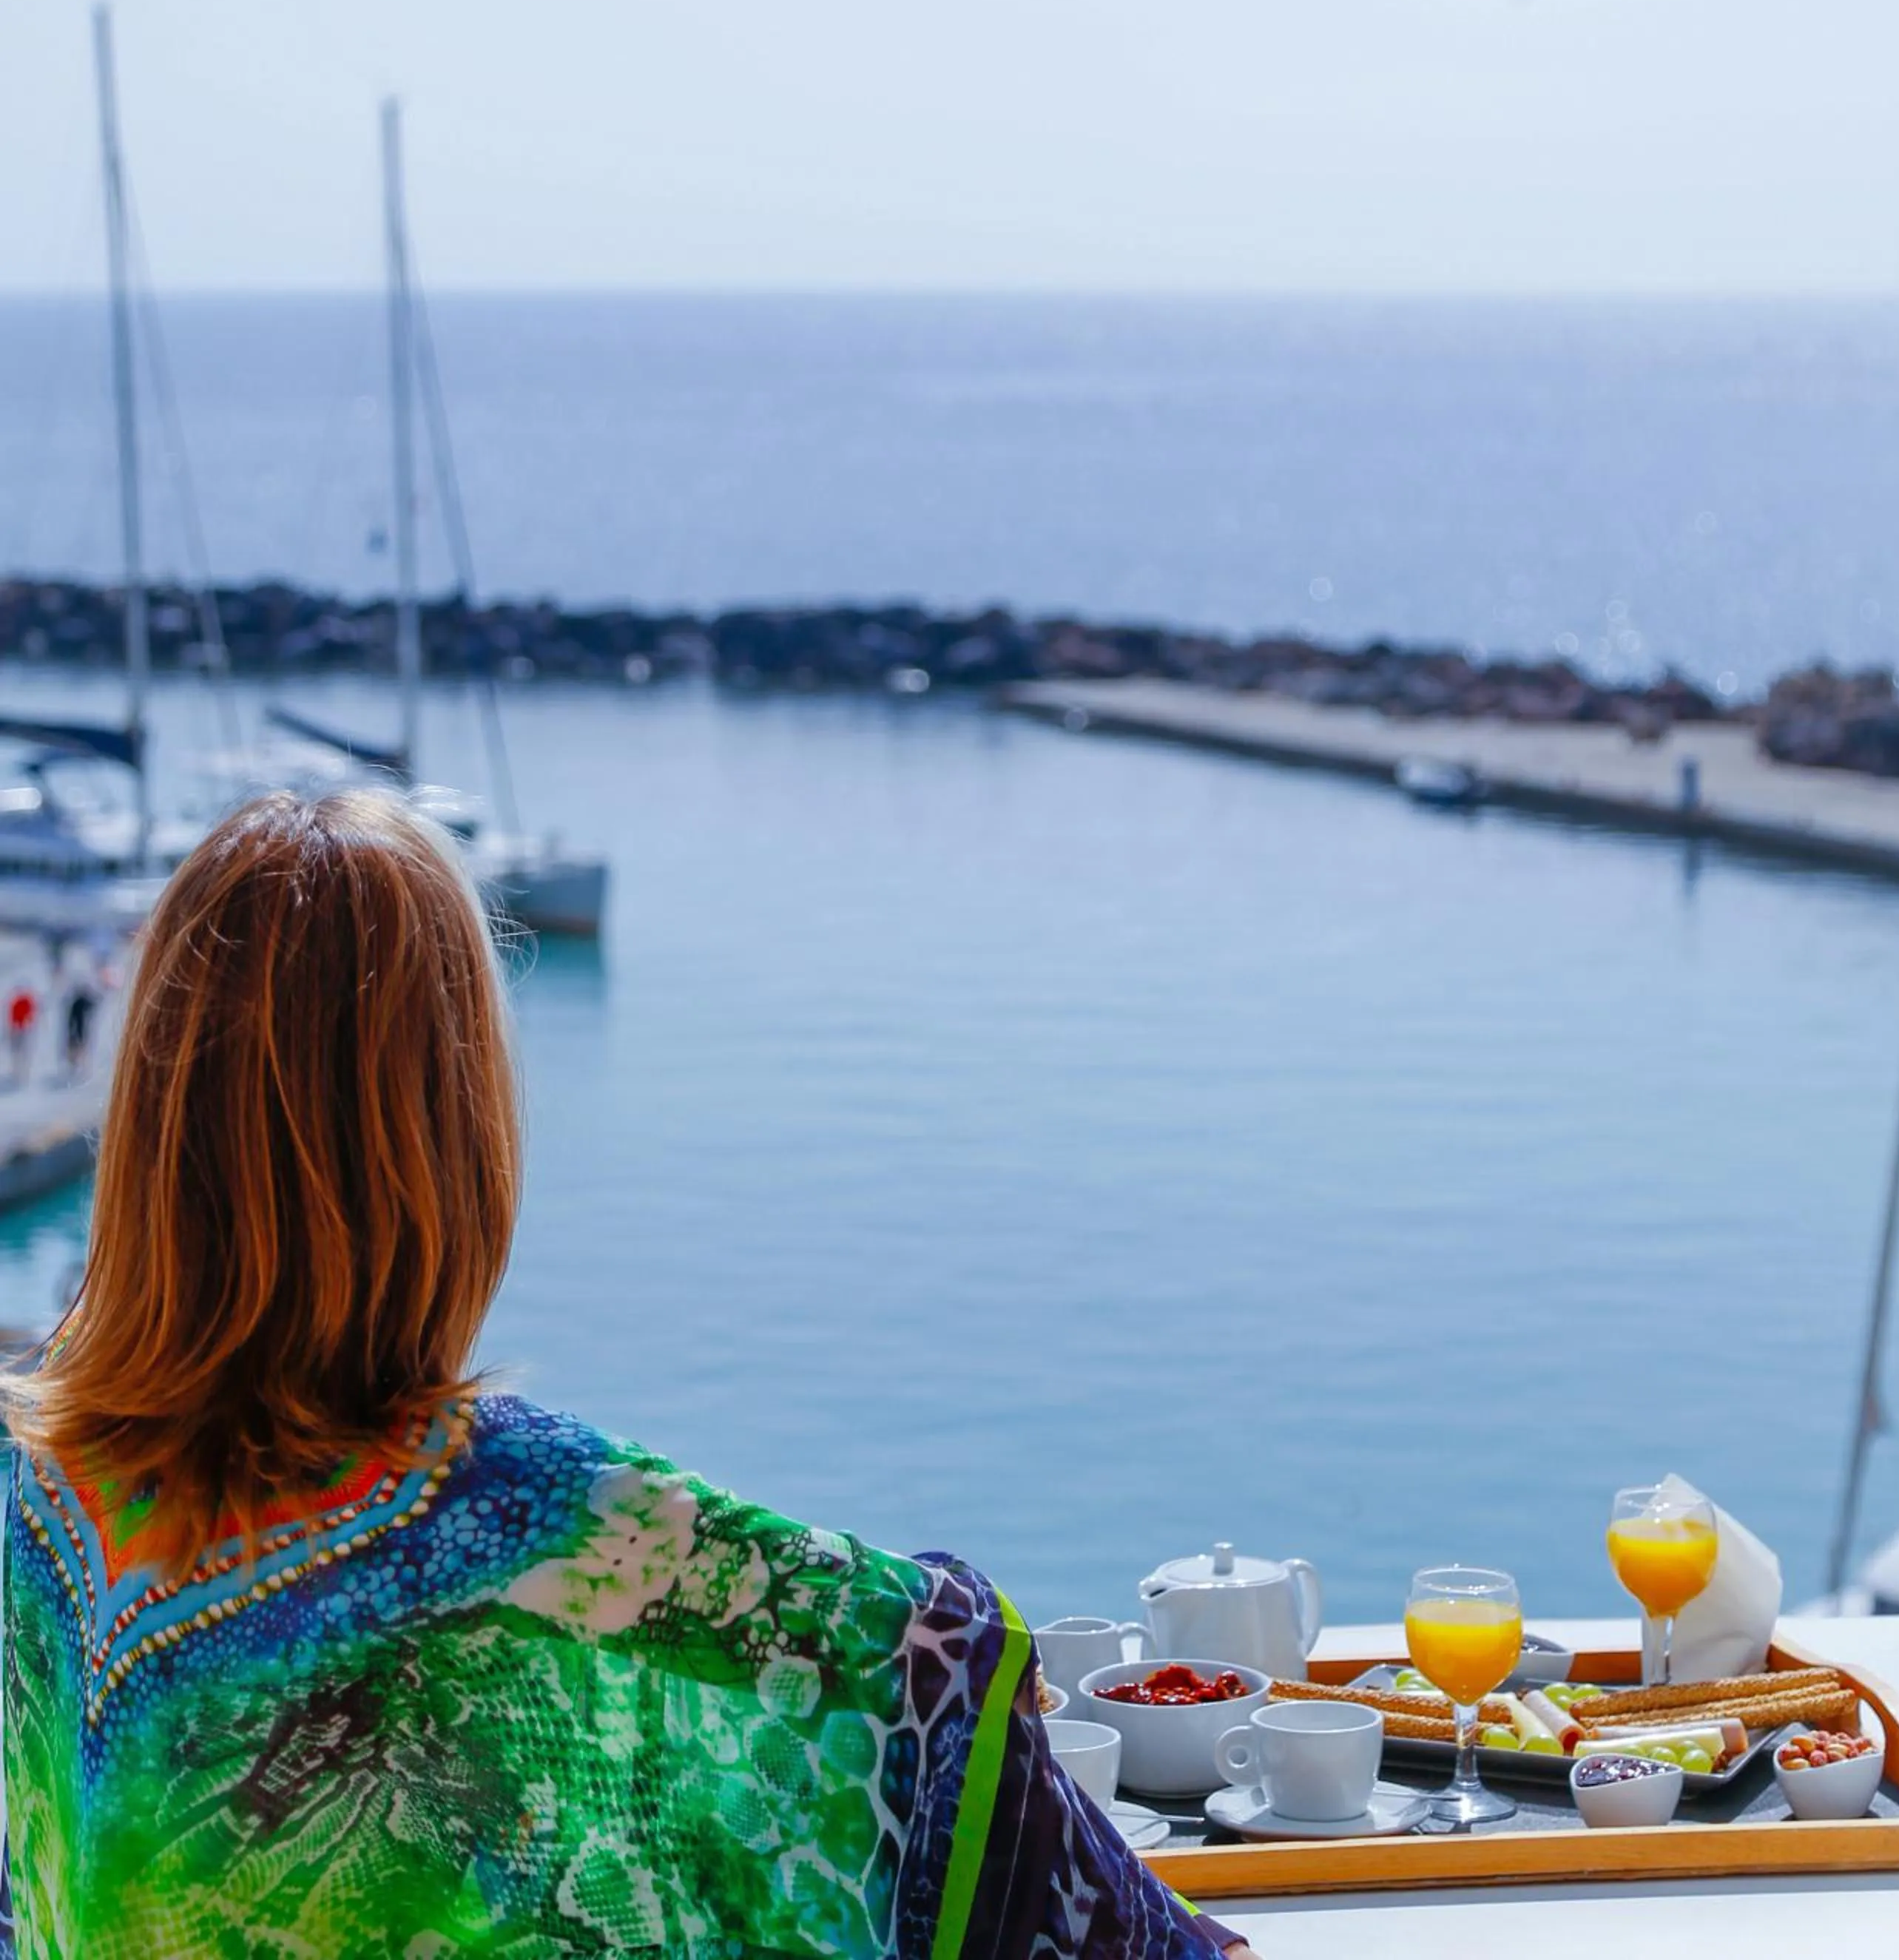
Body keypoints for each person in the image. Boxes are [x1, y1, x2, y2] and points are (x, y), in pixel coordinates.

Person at [0, 791, 1257, 1959]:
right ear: (451, 1138)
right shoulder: (507, 1512)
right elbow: (917, 1669)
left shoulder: (42, 1498)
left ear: (153, 1116)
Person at [3, 987, 32, 1084]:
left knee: (21, 1052)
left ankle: (22, 1072)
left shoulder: (23, 1001)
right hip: (18, 1030)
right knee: (18, 1052)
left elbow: (30, 1015)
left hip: (22, 1030)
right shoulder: (19, 1002)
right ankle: (18, 1071)